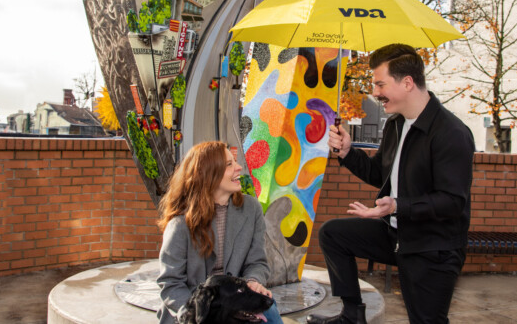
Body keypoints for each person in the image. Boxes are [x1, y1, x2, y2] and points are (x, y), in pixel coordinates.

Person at [306, 44, 475, 324]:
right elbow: (379, 174)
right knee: (334, 234)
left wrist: (398, 205)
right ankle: (352, 316)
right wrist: (348, 153)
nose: (375, 92)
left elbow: (452, 201)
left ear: (407, 83)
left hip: (433, 248)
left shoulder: (451, 133)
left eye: (380, 84)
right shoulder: (396, 124)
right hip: (397, 235)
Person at [156, 141, 283, 324]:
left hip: (237, 302)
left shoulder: (251, 208)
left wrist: (253, 281)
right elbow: (170, 283)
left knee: (269, 315)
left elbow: (257, 262)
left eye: (235, 162)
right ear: (208, 174)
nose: (239, 168)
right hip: (195, 310)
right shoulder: (179, 225)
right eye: (229, 164)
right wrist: (195, 314)